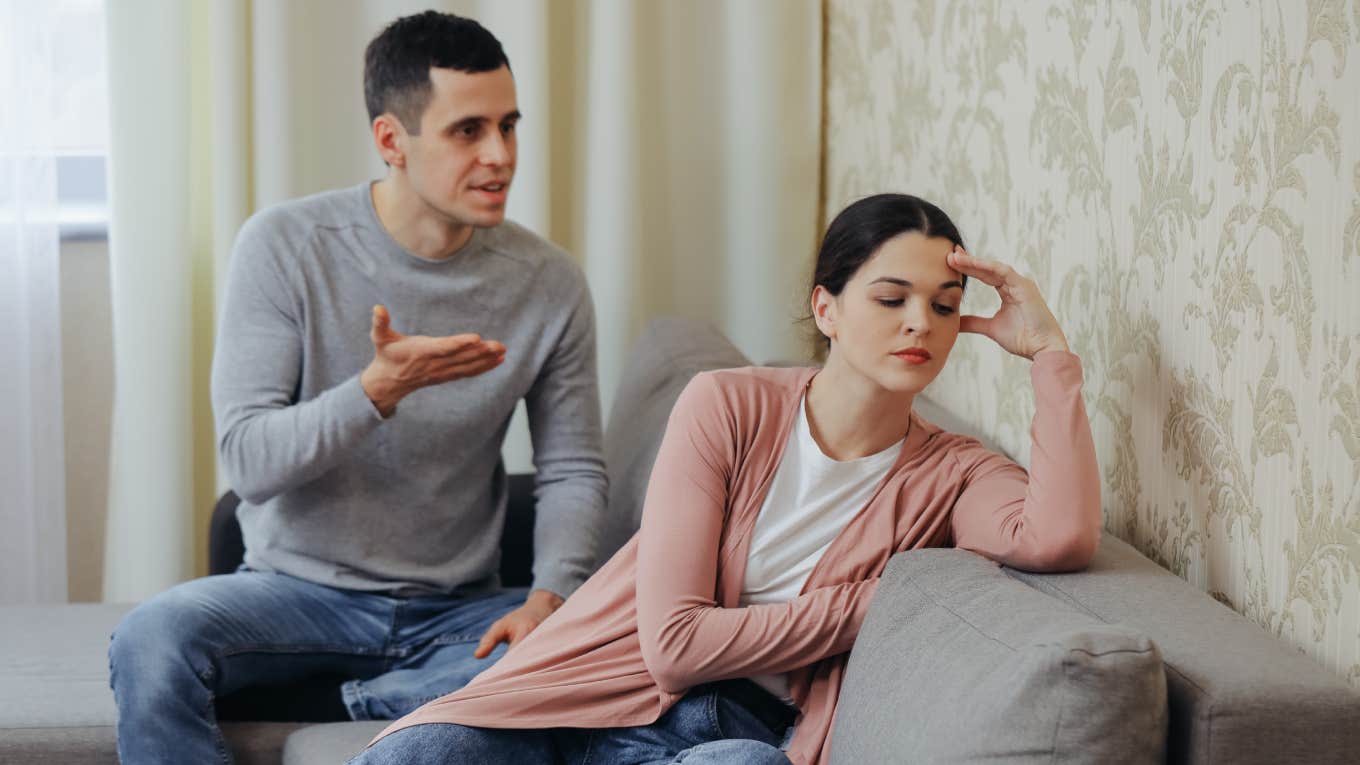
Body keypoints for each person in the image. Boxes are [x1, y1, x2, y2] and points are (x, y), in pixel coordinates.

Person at [349, 193, 1102, 765]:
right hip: (587, 694)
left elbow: (1060, 533)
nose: (922, 323)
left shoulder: (955, 470)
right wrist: (873, 602)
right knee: (419, 752)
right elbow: (674, 644)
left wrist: (1047, 354)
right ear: (827, 307)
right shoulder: (727, 403)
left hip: (732, 731)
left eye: (944, 306)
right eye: (891, 297)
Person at [107, 11, 608, 764]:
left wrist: (550, 598)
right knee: (150, 638)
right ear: (389, 142)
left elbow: (572, 468)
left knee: (608, 647)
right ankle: (425, 693)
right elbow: (248, 461)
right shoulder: (285, 246)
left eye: (509, 125)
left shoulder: (550, 283)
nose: (500, 155)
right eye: (467, 131)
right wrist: (373, 391)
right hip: (296, 594)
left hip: (459, 609)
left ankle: (359, 697)